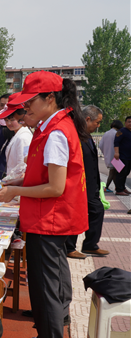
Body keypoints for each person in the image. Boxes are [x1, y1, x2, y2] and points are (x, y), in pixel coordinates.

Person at [0, 71, 89, 338]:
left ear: (50, 98)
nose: (25, 110)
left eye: (30, 103)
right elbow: (43, 176)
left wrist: (15, 191)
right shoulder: (50, 128)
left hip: (49, 220)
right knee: (52, 283)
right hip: (48, 219)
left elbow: (55, 187)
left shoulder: (57, 132)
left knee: (46, 286)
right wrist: (16, 182)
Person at [64, 105, 109, 259]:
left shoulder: (87, 135)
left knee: (97, 210)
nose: (98, 126)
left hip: (91, 185)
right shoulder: (74, 134)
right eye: (97, 122)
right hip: (78, 184)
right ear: (88, 119)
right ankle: (69, 247)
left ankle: (90, 244)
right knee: (76, 215)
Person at [0, 93, 32, 179]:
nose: (8, 123)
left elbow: (22, 166)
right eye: (6, 120)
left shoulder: (23, 137)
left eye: (12, 120)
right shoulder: (18, 134)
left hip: (16, 183)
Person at [98, 120, 123, 192]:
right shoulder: (118, 133)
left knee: (113, 172)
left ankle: (116, 186)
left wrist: (105, 152)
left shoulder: (106, 133)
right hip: (116, 156)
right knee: (113, 173)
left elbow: (100, 145)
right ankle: (107, 187)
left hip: (108, 156)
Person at [114, 116, 131, 196]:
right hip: (122, 156)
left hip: (129, 157)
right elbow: (116, 142)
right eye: (129, 121)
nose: (130, 123)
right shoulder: (121, 131)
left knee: (126, 172)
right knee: (121, 173)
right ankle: (119, 189)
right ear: (125, 123)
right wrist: (116, 153)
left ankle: (123, 187)